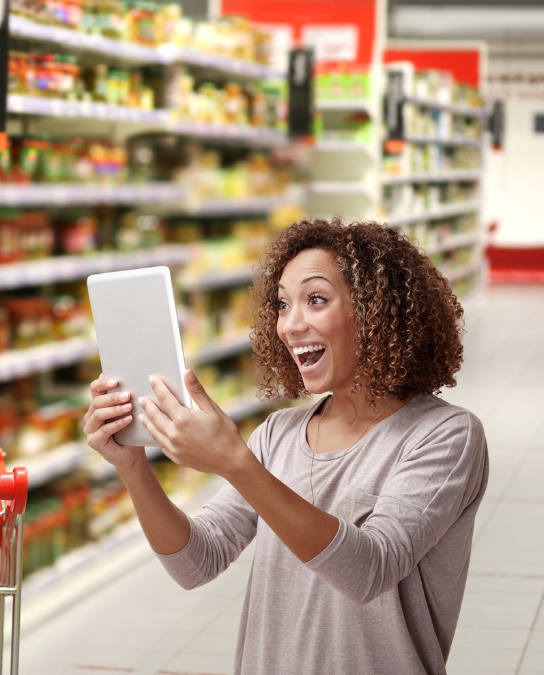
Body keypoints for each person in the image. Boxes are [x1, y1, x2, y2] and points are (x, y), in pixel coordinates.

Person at [83, 217, 487, 675]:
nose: (290, 325)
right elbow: (195, 562)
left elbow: (370, 569)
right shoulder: (278, 434)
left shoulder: (444, 435)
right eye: (281, 304)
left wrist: (235, 463)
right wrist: (133, 466)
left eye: (316, 299)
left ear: (376, 311)